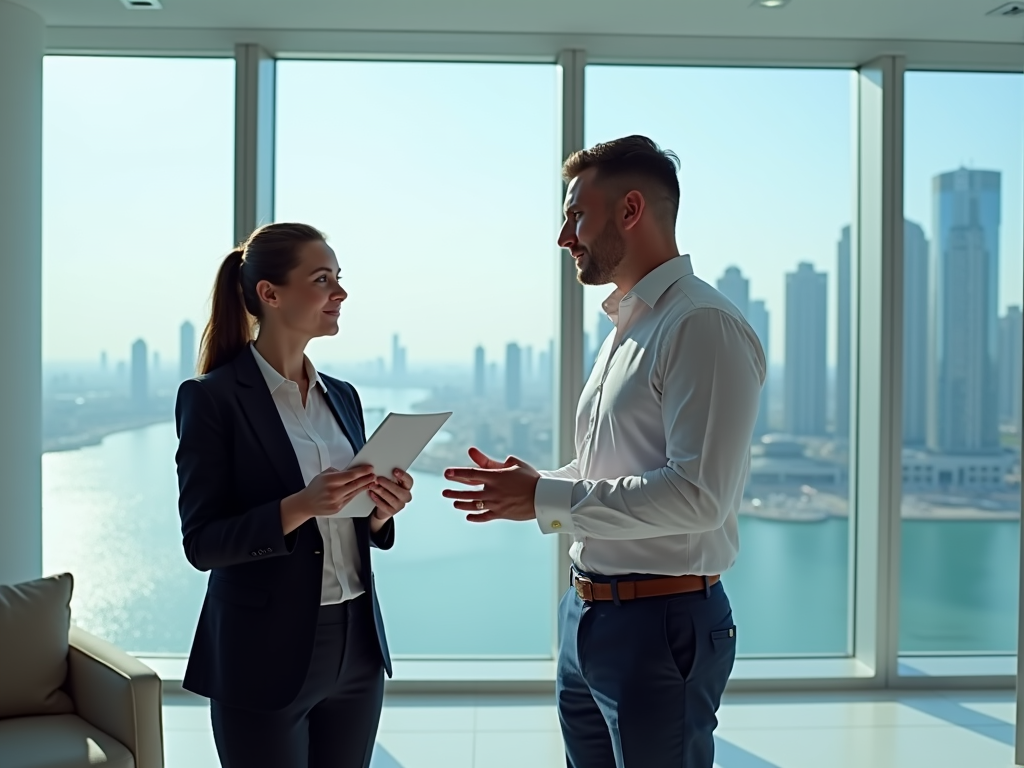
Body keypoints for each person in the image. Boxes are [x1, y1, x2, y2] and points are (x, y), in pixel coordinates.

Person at [443, 136, 765, 768]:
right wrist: (539, 485)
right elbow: (612, 470)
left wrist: (546, 499)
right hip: (588, 614)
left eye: (575, 216)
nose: (565, 236)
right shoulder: (629, 325)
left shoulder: (700, 324)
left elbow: (698, 496)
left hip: (661, 623)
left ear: (630, 210)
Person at [174, 222, 413, 768]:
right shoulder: (212, 400)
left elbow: (352, 522)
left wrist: (380, 512)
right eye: (323, 278)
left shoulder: (344, 397)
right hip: (261, 654)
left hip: (357, 647)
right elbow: (203, 543)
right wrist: (301, 505)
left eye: (339, 278)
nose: (341, 293)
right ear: (270, 293)